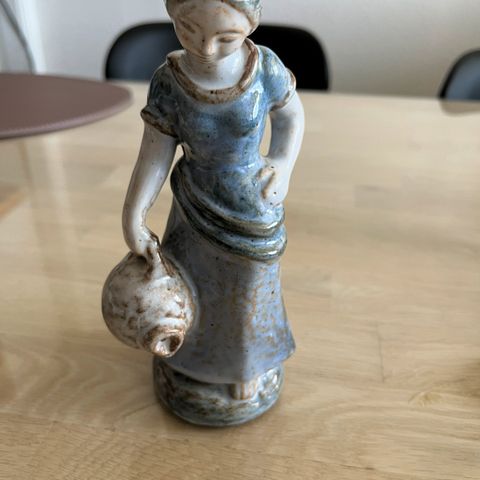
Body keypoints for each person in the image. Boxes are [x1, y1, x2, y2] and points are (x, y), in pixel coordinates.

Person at [122, 0, 305, 417]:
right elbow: (154, 153)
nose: (205, 48)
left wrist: (282, 164)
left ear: (250, 27)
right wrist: (134, 214)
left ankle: (248, 366)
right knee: (191, 285)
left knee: (248, 292)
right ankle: (187, 360)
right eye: (188, 29)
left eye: (226, 37)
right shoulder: (169, 81)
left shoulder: (264, 67)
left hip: (252, 204)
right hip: (194, 204)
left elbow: (291, 118)